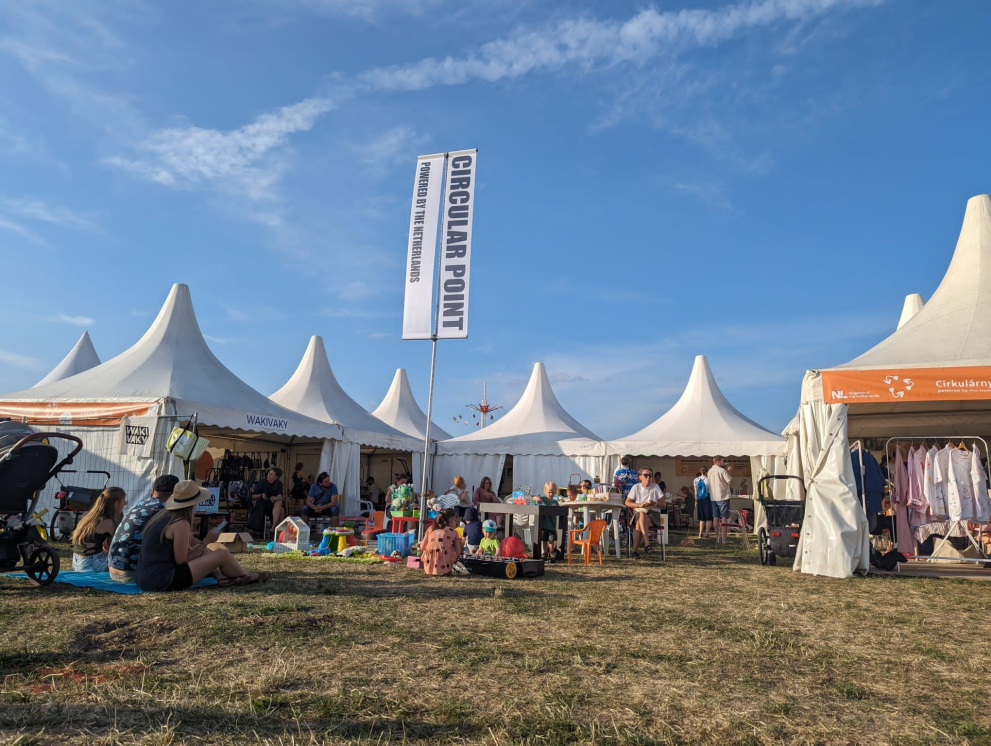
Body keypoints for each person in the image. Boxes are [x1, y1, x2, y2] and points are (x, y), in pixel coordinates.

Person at [136, 479, 271, 591]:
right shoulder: (181, 523)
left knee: (206, 551)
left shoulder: (162, 517)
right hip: (163, 581)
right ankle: (248, 575)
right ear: (193, 503)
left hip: (146, 578)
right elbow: (182, 561)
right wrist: (206, 541)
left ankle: (222, 578)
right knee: (221, 554)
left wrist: (202, 548)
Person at [112, 476, 190, 583]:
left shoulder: (139, 505)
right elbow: (181, 551)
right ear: (175, 494)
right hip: (134, 574)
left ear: (153, 490)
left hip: (114, 570)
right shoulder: (166, 511)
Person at [71, 487, 126, 572]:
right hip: (91, 564)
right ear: (116, 504)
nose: (124, 504)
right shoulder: (108, 522)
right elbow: (114, 548)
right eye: (124, 502)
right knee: (126, 558)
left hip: (77, 562)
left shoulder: (90, 517)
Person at [625, 468, 665, 558]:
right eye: (646, 475)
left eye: (650, 475)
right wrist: (639, 505)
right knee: (641, 514)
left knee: (639, 523)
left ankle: (635, 552)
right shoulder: (636, 487)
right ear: (640, 477)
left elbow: (663, 504)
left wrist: (654, 503)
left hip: (653, 515)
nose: (648, 478)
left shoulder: (655, 487)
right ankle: (647, 544)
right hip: (639, 512)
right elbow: (627, 502)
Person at [420, 508, 464, 576]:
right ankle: (445, 570)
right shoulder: (453, 531)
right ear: (452, 519)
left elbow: (422, 547)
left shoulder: (431, 528)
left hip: (428, 565)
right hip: (445, 563)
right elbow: (458, 553)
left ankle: (430, 569)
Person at [707, 457, 733, 544]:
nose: (724, 462)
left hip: (713, 497)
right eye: (722, 461)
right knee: (724, 517)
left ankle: (718, 537)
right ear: (718, 462)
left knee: (716, 517)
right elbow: (729, 481)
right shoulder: (722, 471)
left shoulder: (709, 471)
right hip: (723, 496)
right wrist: (729, 471)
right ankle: (724, 538)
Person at [538, 481, 562, 561]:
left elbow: (559, 511)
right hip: (544, 525)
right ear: (545, 491)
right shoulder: (543, 499)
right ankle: (545, 552)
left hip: (552, 525)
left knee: (551, 540)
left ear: (555, 492)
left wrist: (555, 507)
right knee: (544, 540)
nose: (550, 494)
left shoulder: (555, 502)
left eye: (552, 492)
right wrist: (538, 499)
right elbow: (534, 498)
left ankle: (551, 552)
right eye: (549, 492)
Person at [693, 469, 713, 538]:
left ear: (700, 472)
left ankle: (700, 533)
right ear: (707, 472)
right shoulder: (709, 480)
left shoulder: (696, 480)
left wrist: (696, 501)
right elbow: (711, 490)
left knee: (702, 518)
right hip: (707, 498)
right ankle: (707, 534)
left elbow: (695, 491)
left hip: (699, 499)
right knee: (709, 518)